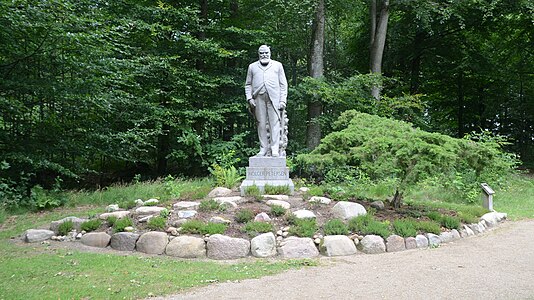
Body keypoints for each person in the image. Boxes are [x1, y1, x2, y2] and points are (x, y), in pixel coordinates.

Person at [245, 45, 288, 157]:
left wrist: (283, 100)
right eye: (262, 53)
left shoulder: (278, 65)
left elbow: (283, 84)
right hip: (258, 98)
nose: (264, 55)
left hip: (274, 98)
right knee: (261, 123)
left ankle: (274, 149)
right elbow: (248, 84)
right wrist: (249, 98)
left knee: (275, 123)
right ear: (258, 54)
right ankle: (263, 149)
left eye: (266, 53)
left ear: (270, 53)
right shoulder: (252, 67)